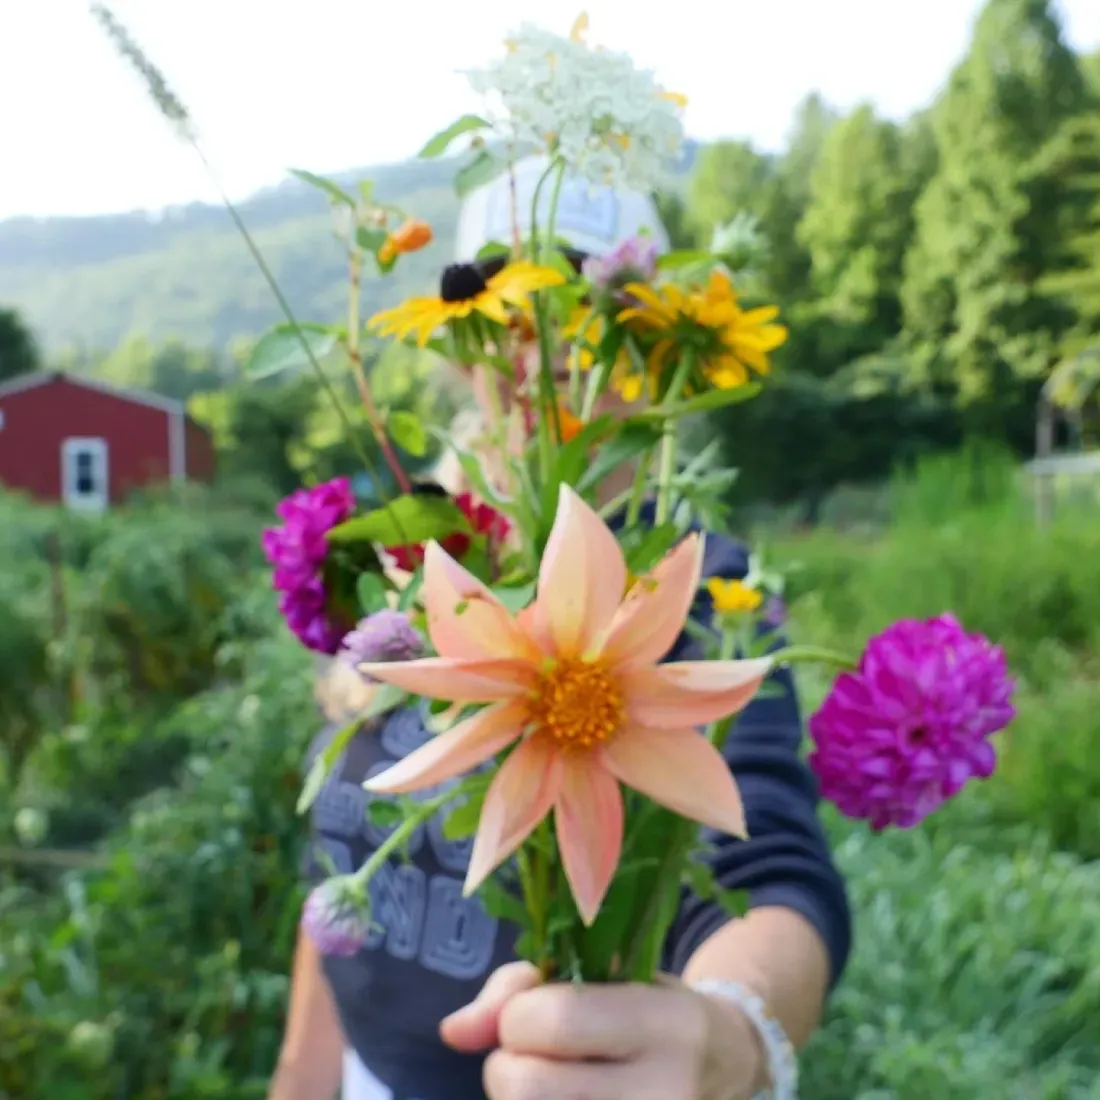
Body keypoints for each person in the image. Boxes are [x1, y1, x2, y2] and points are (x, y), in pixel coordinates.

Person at [268, 164, 851, 1100]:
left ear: (651, 342)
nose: (546, 346)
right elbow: (340, 864)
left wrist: (728, 1041)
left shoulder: (698, 582)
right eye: (512, 298)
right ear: (465, 337)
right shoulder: (424, 550)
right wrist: (298, 1080)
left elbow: (773, 869)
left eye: (592, 307)